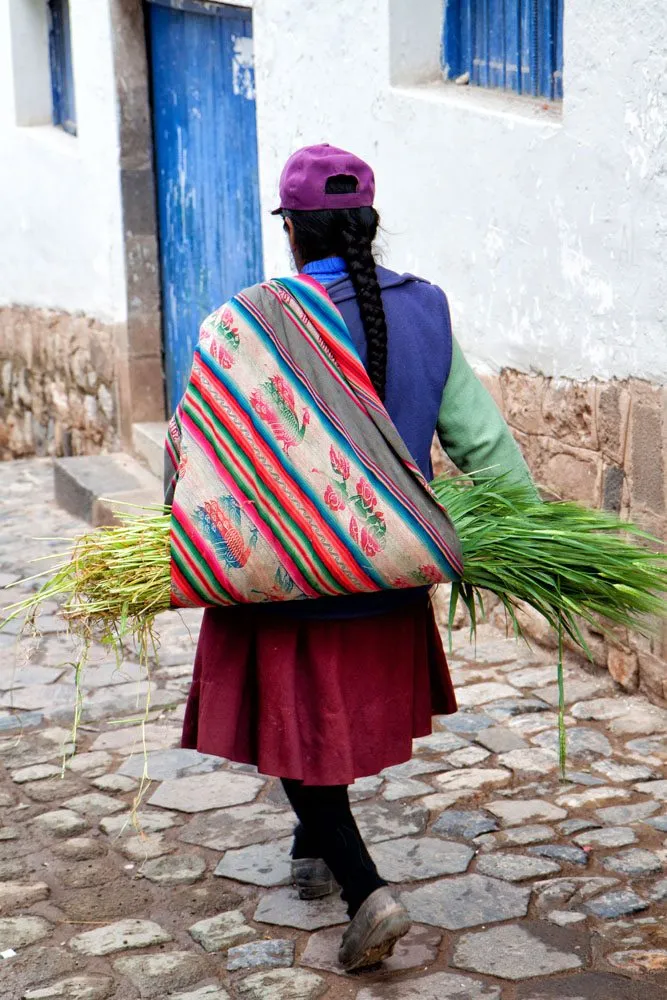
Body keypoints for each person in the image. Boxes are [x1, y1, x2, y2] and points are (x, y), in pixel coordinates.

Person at [174, 144, 535, 971]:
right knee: (316, 724)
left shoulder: (249, 320)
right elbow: (483, 443)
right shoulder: (426, 310)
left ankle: (365, 889)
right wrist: (521, 533)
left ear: (293, 231)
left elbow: (194, 454)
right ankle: (311, 845)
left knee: (289, 728)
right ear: (368, 224)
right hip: (387, 581)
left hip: (287, 581)